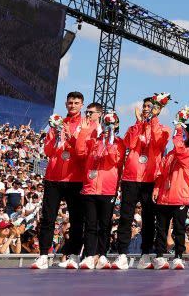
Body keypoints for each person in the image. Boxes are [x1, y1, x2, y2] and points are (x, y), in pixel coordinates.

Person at [32, 92, 95, 270]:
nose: (72, 106)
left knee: (76, 219)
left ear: (82, 105)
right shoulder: (57, 122)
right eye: (69, 103)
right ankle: (43, 254)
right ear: (66, 104)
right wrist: (57, 133)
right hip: (53, 176)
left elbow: (83, 153)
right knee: (48, 218)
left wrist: (72, 136)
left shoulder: (87, 125)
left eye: (76, 103)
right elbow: (48, 151)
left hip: (74, 178)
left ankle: (74, 255)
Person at [112, 95, 171, 270]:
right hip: (130, 178)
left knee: (148, 219)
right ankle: (122, 254)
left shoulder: (164, 129)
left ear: (158, 110)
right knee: (125, 218)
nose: (146, 109)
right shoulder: (133, 127)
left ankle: (145, 255)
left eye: (151, 107)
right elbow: (129, 143)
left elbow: (159, 143)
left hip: (150, 179)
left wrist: (152, 120)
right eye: (145, 106)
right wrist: (139, 123)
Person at [75, 105, 125, 270]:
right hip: (90, 188)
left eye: (111, 123)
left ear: (116, 125)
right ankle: (89, 256)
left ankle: (102, 255)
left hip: (107, 189)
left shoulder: (119, 143)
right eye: (105, 122)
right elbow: (80, 153)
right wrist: (83, 132)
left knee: (104, 225)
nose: (107, 125)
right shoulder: (93, 140)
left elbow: (114, 161)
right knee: (90, 224)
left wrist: (109, 141)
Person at [151, 118, 189, 270]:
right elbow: (161, 173)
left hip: (179, 197)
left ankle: (178, 257)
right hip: (164, 197)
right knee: (161, 229)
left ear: (188, 136)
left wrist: (177, 130)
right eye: (180, 132)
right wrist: (157, 188)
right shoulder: (170, 154)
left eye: (183, 133)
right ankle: (159, 256)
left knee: (179, 229)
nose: (180, 134)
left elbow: (180, 150)